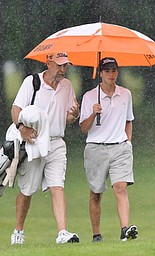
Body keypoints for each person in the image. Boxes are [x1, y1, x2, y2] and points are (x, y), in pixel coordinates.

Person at [10, 52, 80, 244]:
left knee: (57, 186)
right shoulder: (31, 82)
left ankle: (62, 233)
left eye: (65, 66)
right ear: (48, 63)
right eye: (59, 65)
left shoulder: (67, 86)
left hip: (56, 142)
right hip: (34, 141)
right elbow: (16, 109)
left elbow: (68, 117)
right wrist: (21, 129)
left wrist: (74, 115)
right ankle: (18, 232)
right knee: (27, 190)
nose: (63, 70)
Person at [80, 57, 138, 242]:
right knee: (96, 193)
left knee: (120, 187)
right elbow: (83, 127)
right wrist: (93, 113)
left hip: (120, 147)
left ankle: (124, 230)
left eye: (114, 70)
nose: (111, 74)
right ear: (100, 74)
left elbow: (129, 121)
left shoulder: (126, 94)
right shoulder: (90, 97)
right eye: (107, 71)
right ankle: (97, 234)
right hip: (96, 148)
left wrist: (128, 142)